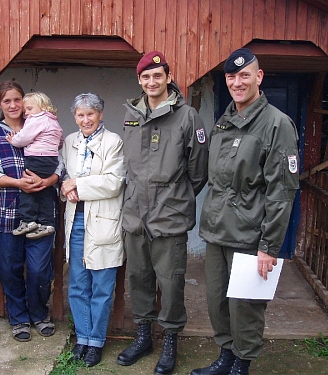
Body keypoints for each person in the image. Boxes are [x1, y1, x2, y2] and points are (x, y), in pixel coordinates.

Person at [192, 48, 299, 375]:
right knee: (218, 303)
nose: (237, 82)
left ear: (259, 77)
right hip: (217, 231)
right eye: (231, 76)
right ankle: (226, 355)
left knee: (246, 307)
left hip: (250, 237)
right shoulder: (225, 120)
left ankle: (243, 363)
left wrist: (269, 247)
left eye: (244, 75)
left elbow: (282, 192)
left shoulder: (276, 124)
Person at [117, 51, 209, 375]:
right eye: (146, 77)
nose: (152, 81)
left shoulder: (188, 116)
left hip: (168, 216)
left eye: (158, 75)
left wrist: (173, 200)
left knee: (171, 283)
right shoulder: (131, 114)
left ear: (168, 78)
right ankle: (143, 337)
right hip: (134, 215)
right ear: (139, 81)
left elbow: (199, 173)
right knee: (138, 279)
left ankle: (170, 341)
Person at [0, 81, 61, 342]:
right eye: (7, 101)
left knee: (39, 269)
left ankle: (39, 313)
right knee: (9, 268)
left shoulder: (42, 125)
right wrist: (18, 183)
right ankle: (19, 318)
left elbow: (61, 163)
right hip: (7, 213)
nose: (14, 106)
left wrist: (48, 181)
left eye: (18, 100)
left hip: (41, 213)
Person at [60, 93, 125, 367]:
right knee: (77, 284)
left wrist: (78, 185)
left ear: (100, 115)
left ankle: (96, 341)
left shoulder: (113, 142)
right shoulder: (70, 142)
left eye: (91, 114)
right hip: (76, 219)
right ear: (75, 117)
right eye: (80, 115)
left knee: (101, 286)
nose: (85, 119)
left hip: (103, 221)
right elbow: (63, 173)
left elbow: (114, 182)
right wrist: (67, 186)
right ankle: (82, 338)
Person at [5, 91, 63, 239]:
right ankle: (47, 222)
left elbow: (24, 137)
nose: (27, 114)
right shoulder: (54, 122)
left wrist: (14, 140)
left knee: (28, 187)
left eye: (30, 109)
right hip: (51, 160)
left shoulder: (37, 120)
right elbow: (60, 142)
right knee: (43, 190)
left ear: (43, 107)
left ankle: (28, 220)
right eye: (25, 111)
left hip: (37, 158)